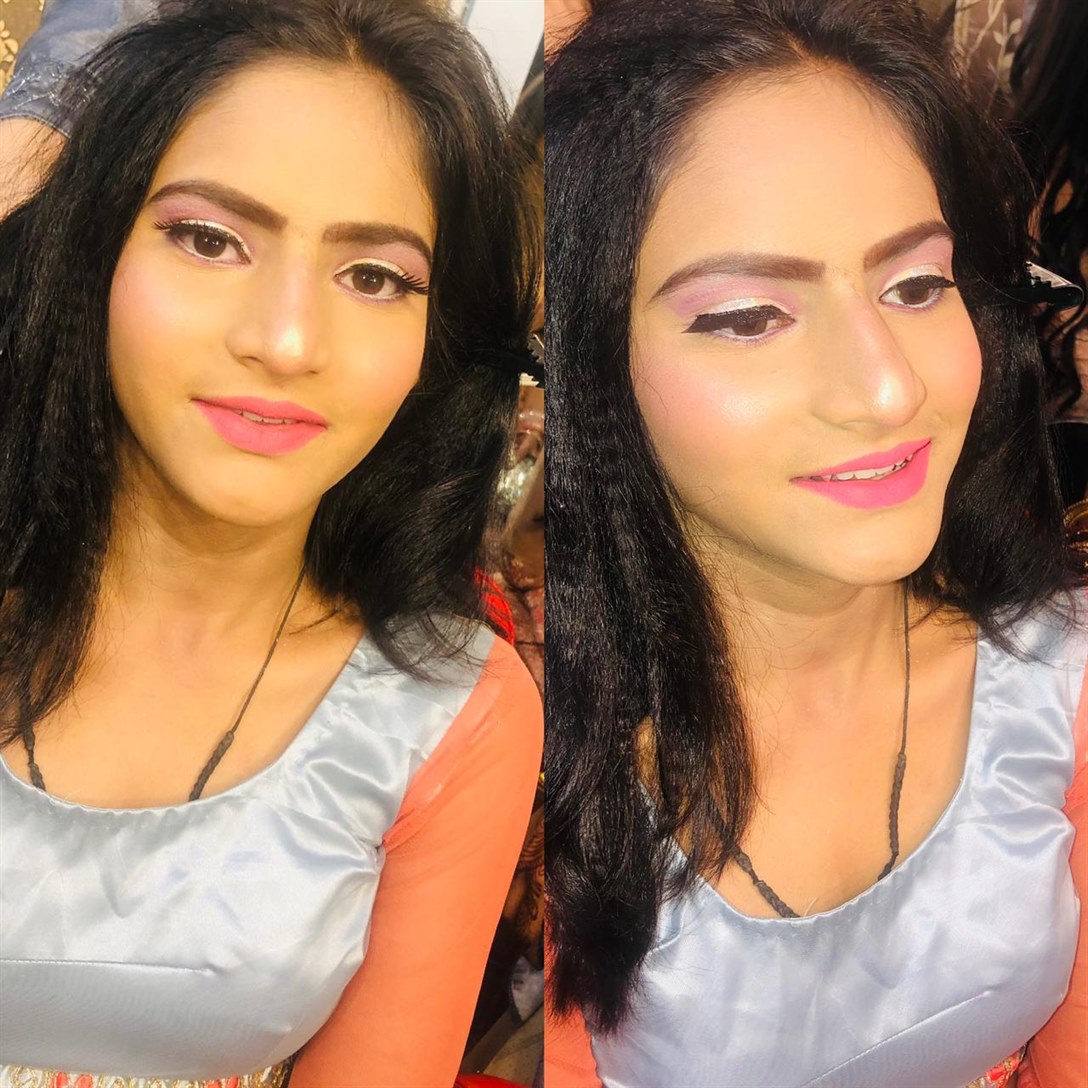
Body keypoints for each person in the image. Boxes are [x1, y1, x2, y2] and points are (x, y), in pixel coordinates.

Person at [544, 1, 1087, 1085]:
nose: (887, 388)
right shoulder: (538, 759)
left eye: (916, 286)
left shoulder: (1058, 679)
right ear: (588, 367)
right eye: (749, 316)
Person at [0, 0, 542, 1084]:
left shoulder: (446, 716)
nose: (287, 341)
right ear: (92, 247)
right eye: (209, 240)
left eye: (374, 277)